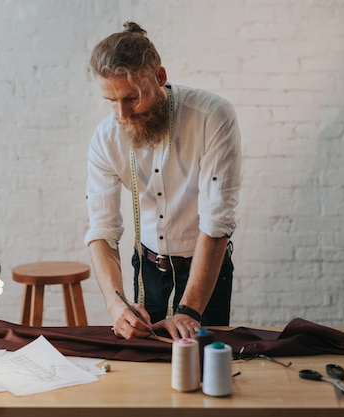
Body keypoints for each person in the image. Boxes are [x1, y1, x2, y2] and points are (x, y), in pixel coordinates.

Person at [85, 22, 242, 340]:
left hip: (205, 267)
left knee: (199, 365)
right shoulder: (106, 138)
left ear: (159, 77)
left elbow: (216, 222)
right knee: (145, 369)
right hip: (147, 269)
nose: (122, 114)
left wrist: (189, 311)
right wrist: (117, 307)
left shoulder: (212, 117)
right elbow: (102, 232)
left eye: (131, 98)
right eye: (111, 101)